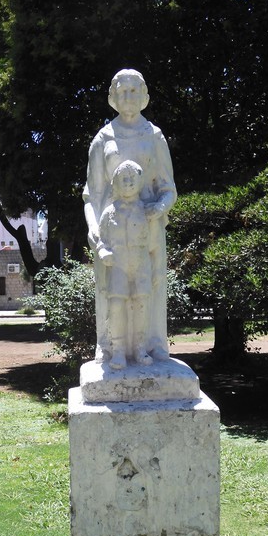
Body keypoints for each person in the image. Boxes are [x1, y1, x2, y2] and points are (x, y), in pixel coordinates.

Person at [83, 69, 177, 365]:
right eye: (122, 91)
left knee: (151, 285)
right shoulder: (103, 138)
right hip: (110, 229)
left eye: (134, 91)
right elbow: (92, 195)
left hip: (147, 226)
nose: (128, 97)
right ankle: (108, 345)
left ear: (144, 96)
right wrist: (94, 232)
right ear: (112, 97)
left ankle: (154, 343)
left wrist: (159, 208)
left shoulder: (155, 136)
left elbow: (169, 189)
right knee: (111, 289)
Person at [97, 160, 153, 370]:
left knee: (141, 305)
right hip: (118, 264)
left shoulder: (147, 211)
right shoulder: (109, 212)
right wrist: (103, 252)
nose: (128, 183)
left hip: (140, 263)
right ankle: (118, 350)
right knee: (117, 306)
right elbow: (101, 240)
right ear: (116, 183)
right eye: (124, 179)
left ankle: (140, 348)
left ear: (139, 182)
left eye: (132, 179)